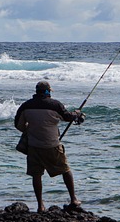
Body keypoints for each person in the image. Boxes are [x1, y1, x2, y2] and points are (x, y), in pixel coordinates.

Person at [14, 81, 85, 212]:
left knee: (36, 175)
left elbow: (18, 125)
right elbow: (68, 117)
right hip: (52, 145)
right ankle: (73, 199)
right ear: (47, 92)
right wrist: (77, 113)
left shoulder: (26, 106)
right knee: (65, 170)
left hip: (34, 146)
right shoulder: (55, 105)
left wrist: (30, 129)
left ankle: (40, 205)